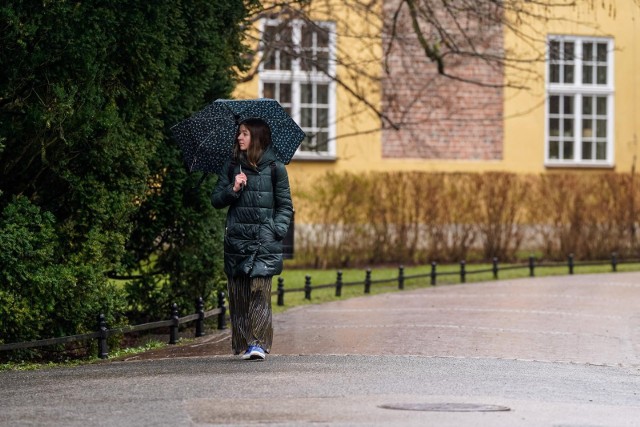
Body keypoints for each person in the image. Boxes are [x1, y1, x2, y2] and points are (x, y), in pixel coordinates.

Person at [212, 118, 293, 361]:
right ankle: (244, 342)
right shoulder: (232, 166)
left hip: (264, 240)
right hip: (237, 240)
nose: (239, 137)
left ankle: (258, 344)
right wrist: (233, 190)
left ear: (256, 137)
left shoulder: (276, 167)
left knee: (259, 290)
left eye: (245, 133)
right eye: (239, 133)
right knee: (239, 294)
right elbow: (216, 200)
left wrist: (276, 229)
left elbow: (285, 205)